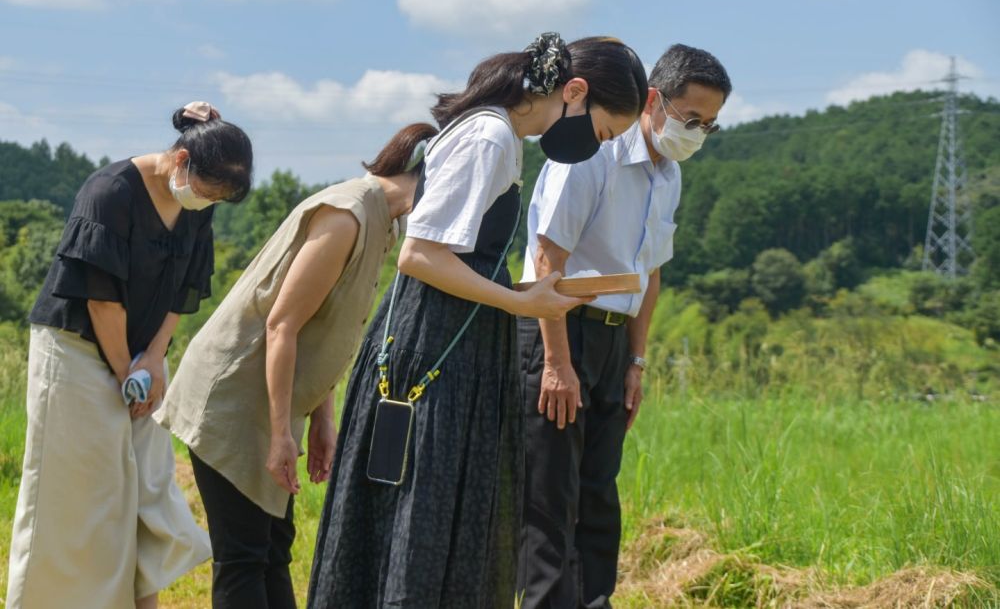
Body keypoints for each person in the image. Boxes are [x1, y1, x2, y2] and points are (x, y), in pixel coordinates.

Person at [307, 33, 648, 609]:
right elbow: (421, 255)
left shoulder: (501, 135)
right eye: (604, 131)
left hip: (457, 342)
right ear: (575, 91)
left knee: (447, 521)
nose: (597, 146)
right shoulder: (489, 135)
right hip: (434, 348)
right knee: (423, 520)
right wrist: (522, 303)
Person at [155, 122, 439, 609]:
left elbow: (320, 328)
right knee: (244, 555)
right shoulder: (348, 214)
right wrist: (281, 432)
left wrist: (319, 419)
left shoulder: (385, 221)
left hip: (271, 396)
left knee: (272, 548)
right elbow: (282, 326)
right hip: (234, 395)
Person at [5, 102, 254, 609]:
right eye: (207, 192)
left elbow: (185, 287)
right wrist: (127, 373)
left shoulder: (193, 210)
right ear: (181, 160)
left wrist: (155, 360)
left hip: (140, 356)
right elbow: (101, 298)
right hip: (76, 352)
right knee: (78, 494)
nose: (206, 204)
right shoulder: (110, 192)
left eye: (218, 200)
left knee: (147, 487)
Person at [517, 44, 731, 608]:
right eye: (691, 119)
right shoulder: (595, 151)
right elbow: (548, 259)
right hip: (559, 332)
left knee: (598, 496)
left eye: (710, 125)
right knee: (549, 499)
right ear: (654, 101)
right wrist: (558, 364)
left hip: (614, 339)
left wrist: (637, 363)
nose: (698, 133)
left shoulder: (670, 177)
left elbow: (649, 274)